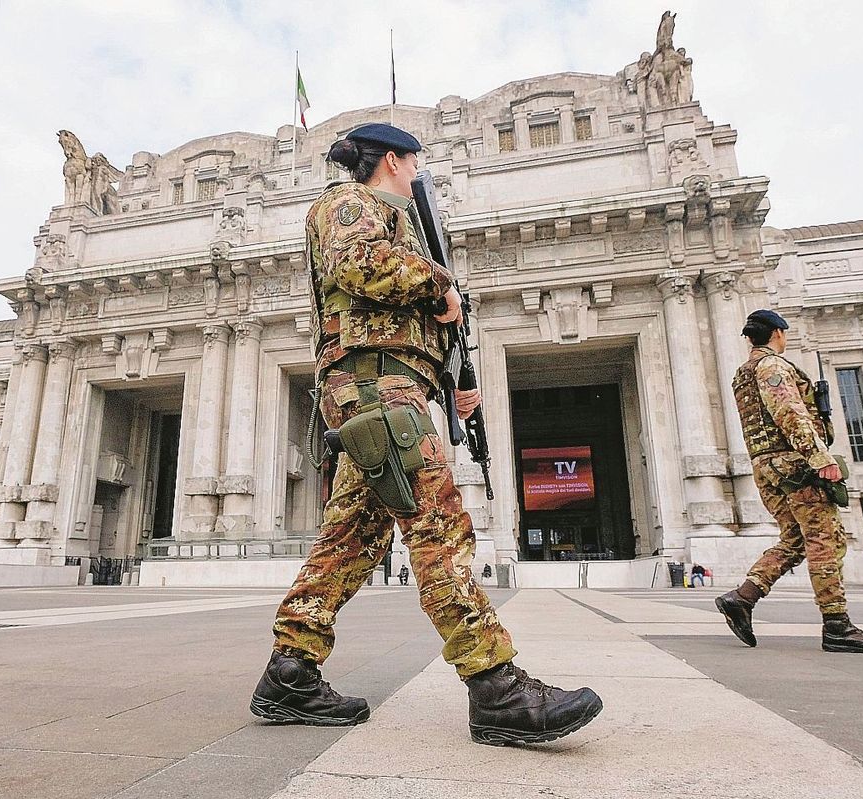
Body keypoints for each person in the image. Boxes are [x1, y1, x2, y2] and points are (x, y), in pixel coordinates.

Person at [250, 123, 603, 745]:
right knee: (439, 526)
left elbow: (391, 316)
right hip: (376, 391)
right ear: (391, 160)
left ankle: (291, 672)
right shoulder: (351, 203)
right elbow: (359, 266)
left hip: (384, 389)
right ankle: (495, 686)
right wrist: (440, 286)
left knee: (350, 541)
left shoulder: (390, 215)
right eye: (413, 164)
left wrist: (449, 378)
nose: (417, 177)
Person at [715, 310, 863, 654]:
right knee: (824, 541)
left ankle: (743, 597)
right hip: (795, 467)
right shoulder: (773, 367)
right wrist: (820, 458)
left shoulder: (743, 373)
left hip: (768, 468)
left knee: (795, 539)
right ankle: (837, 625)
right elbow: (790, 414)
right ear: (778, 333)